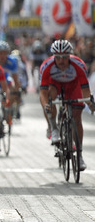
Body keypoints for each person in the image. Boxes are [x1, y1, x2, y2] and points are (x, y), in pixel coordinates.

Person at [39, 40, 95, 171]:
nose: (61, 61)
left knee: (76, 117)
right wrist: (46, 105)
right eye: (58, 57)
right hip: (55, 84)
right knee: (50, 97)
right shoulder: (46, 65)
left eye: (64, 57)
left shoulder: (79, 64)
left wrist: (90, 103)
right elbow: (42, 93)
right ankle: (53, 128)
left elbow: (85, 89)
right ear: (53, 57)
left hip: (72, 85)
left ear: (70, 56)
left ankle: (79, 155)